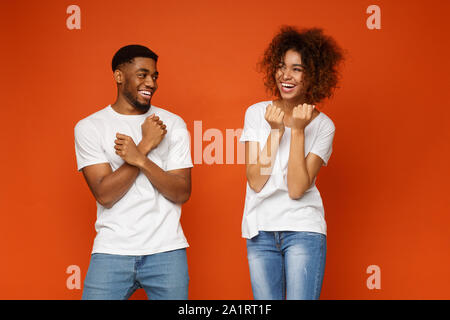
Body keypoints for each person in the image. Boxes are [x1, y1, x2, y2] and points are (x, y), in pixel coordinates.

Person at [74, 44, 193, 300]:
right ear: (119, 76)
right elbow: (105, 194)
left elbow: (181, 192)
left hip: (167, 251)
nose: (151, 82)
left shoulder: (173, 124)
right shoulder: (89, 127)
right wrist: (146, 144)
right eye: (142, 74)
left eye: (155, 76)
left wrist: (140, 157)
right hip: (112, 250)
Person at [239, 26, 344, 300]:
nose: (286, 75)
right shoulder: (256, 113)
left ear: (313, 76)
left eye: (297, 69)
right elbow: (256, 180)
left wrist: (297, 130)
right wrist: (275, 132)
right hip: (260, 231)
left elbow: (297, 188)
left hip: (303, 231)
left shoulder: (323, 126)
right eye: (282, 66)